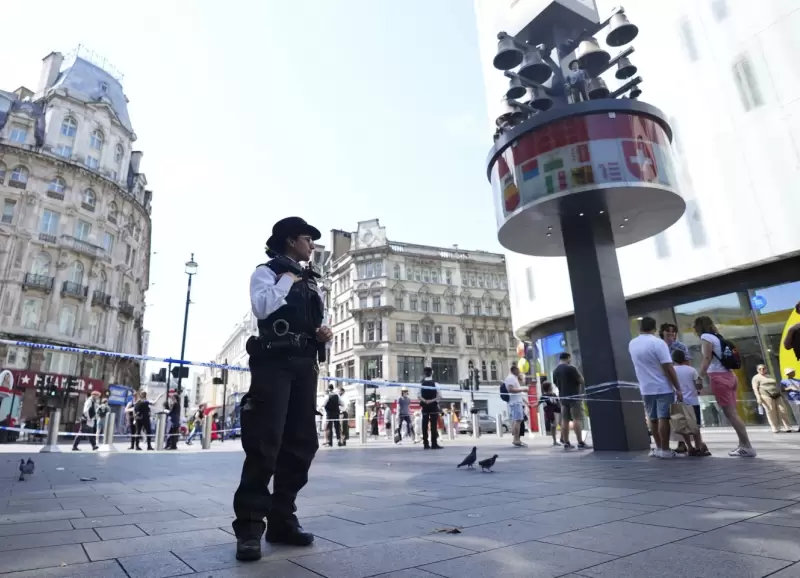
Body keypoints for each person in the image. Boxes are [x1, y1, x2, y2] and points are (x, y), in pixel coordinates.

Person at [232, 217, 331, 562]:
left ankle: (282, 520)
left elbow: (313, 320)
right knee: (264, 443)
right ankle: (248, 528)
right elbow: (262, 307)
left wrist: (322, 332)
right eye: (308, 240)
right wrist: (288, 277)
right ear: (291, 241)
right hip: (274, 363)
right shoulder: (268, 272)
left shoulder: (311, 282)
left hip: (305, 366)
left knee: (302, 443)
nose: (312, 247)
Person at [694, 315, 756, 457]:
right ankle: (742, 445)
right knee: (734, 413)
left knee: (732, 415)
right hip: (730, 376)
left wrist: (700, 377)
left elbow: (707, 358)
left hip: (719, 378)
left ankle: (747, 446)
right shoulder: (718, 337)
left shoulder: (706, 337)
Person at [628, 317, 684, 459]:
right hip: (662, 386)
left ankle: (658, 448)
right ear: (654, 328)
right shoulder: (658, 343)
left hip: (645, 387)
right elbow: (668, 367)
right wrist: (678, 387)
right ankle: (665, 449)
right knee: (663, 417)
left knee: (652, 418)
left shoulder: (632, 344)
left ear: (640, 328)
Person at [672, 349, 709, 456]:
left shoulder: (672, 370)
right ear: (684, 358)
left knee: (682, 426)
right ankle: (698, 447)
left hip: (678, 401)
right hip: (693, 402)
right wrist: (698, 387)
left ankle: (689, 447)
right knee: (696, 426)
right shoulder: (691, 370)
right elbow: (698, 385)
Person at [552, 352, 590, 450]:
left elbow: (555, 383)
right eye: (570, 358)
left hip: (563, 398)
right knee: (577, 419)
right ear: (568, 358)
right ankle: (580, 442)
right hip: (575, 397)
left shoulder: (555, 371)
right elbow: (582, 380)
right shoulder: (571, 368)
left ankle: (566, 442)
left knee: (565, 420)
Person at [752, 364, 792, 433]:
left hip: (776, 394)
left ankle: (787, 426)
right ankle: (775, 427)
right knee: (771, 411)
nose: (762, 370)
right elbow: (755, 388)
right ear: (757, 370)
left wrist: (781, 394)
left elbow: (775, 385)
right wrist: (758, 398)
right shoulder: (756, 378)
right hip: (766, 395)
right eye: (760, 369)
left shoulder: (769, 376)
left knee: (783, 410)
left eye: (763, 368)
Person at [418, 367, 442, 449]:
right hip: (433, 406)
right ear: (432, 373)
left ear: (424, 374)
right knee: (434, 425)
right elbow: (439, 396)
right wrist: (432, 401)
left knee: (424, 424)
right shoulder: (436, 384)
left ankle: (425, 444)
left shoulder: (421, 384)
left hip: (424, 406)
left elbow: (419, 396)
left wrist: (425, 401)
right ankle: (434, 443)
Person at [504, 366, 527, 447]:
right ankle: (516, 439)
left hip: (517, 402)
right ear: (514, 370)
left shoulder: (514, 378)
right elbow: (511, 389)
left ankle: (516, 439)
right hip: (515, 403)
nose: (519, 372)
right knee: (518, 420)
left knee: (517, 420)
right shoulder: (511, 378)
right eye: (518, 370)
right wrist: (523, 389)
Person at [538, 380, 561, 446]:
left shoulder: (553, 394)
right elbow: (539, 402)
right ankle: (555, 440)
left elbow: (557, 401)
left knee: (555, 425)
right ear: (549, 387)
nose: (552, 387)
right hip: (551, 412)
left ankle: (558, 439)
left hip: (556, 411)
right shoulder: (545, 395)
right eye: (551, 386)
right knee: (554, 426)